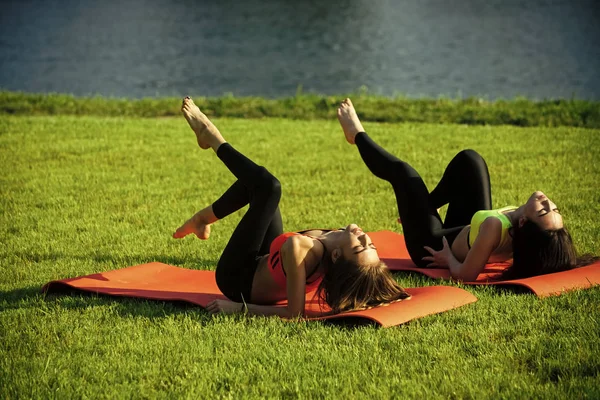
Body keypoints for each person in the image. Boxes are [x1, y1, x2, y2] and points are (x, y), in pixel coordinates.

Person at [173, 97, 410, 317]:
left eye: (359, 247)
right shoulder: (338, 239)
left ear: (337, 256)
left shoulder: (302, 249)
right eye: (370, 243)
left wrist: (238, 307)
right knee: (260, 189)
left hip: (238, 280)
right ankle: (202, 220)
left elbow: (294, 314)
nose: (365, 238)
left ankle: (210, 136)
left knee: (268, 187)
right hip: (266, 259)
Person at [337, 98, 596, 281]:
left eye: (543, 210)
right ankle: (429, 205)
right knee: (471, 161)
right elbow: (545, 245)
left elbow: (466, 276)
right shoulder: (522, 230)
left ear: (526, 221)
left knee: (405, 174)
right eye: (553, 207)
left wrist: (448, 259)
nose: (546, 201)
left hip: (432, 245)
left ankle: (357, 135)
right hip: (464, 230)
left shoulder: (496, 228)